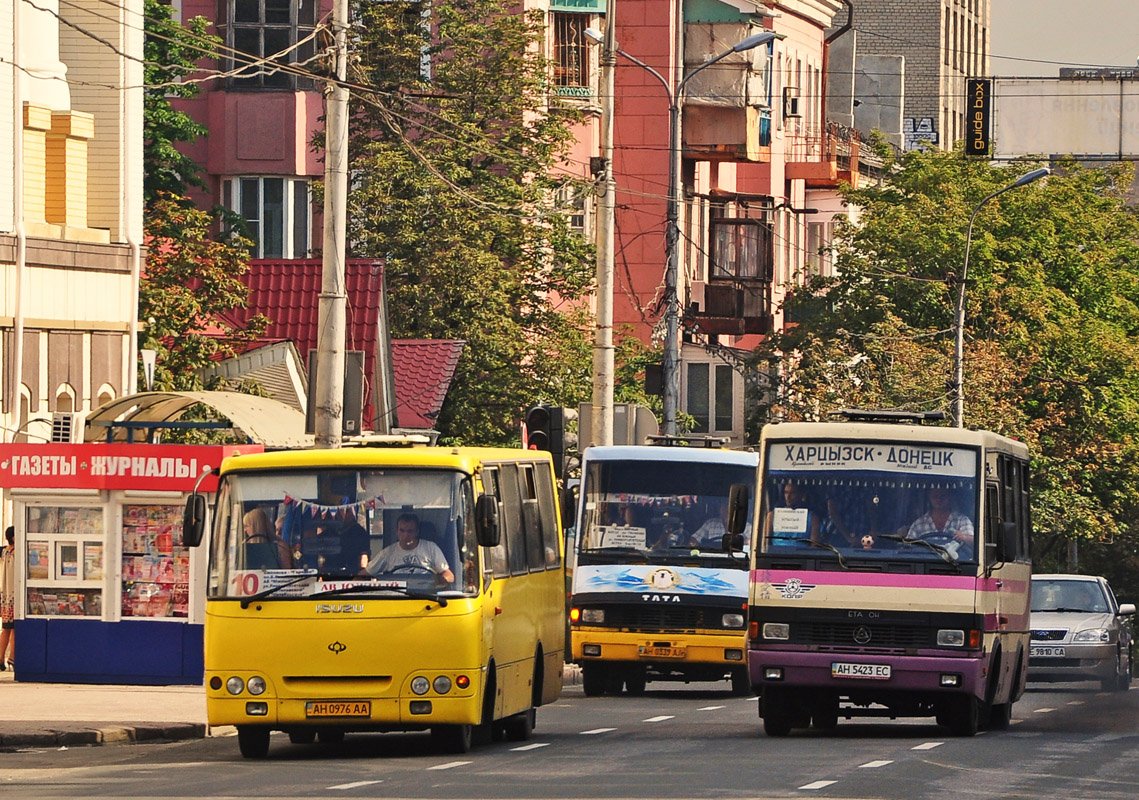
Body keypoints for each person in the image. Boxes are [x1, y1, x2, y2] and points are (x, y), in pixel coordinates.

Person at [365, 513, 454, 585]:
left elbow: (449, 575)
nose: (406, 535)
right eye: (402, 531)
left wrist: (440, 581)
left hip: (427, 596)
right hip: (396, 598)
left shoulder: (431, 548)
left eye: (410, 531)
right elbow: (365, 573)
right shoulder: (387, 553)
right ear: (396, 531)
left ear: (417, 531)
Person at [906, 487, 974, 557]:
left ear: (949, 497)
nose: (939, 499)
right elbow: (908, 548)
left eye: (943, 496)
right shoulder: (918, 524)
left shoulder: (961, 520)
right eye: (935, 496)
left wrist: (964, 537)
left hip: (955, 565)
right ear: (929, 497)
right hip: (925, 565)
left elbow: (976, 544)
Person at [763, 481, 819, 547]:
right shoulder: (772, 515)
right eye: (786, 492)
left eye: (792, 493)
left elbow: (814, 546)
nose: (788, 497)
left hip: (801, 555)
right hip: (775, 554)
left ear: (801, 495)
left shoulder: (812, 517)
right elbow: (764, 542)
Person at [1, 526, 15, 670]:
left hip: (5, 597)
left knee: (6, 628)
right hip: (14, 596)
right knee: (15, 628)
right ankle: (12, 658)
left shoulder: (3, 551)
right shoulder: (16, 552)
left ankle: (0, 659)